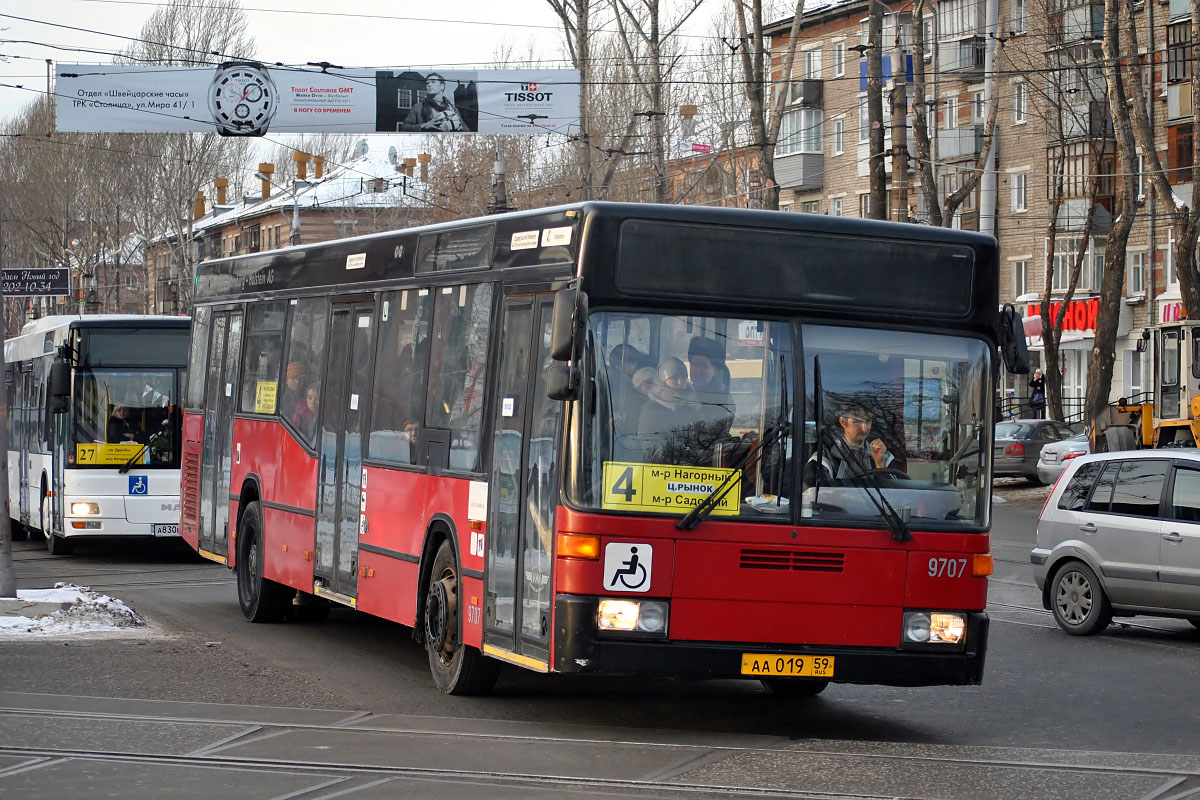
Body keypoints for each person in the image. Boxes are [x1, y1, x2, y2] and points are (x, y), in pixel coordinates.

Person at [808, 402, 896, 484]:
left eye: (868, 421)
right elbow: (816, 493)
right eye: (857, 421)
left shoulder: (882, 454)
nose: (865, 428)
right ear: (843, 422)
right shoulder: (825, 457)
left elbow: (894, 493)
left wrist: (880, 465)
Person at [400, 73, 466, 132]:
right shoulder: (418, 107)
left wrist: (461, 129)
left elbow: (467, 130)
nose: (429, 85)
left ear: (442, 86)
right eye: (427, 83)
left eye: (433, 82)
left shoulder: (453, 109)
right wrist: (424, 126)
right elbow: (403, 127)